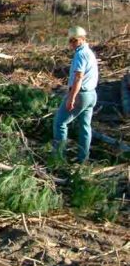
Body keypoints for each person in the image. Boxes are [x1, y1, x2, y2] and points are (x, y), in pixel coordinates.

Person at [53, 26, 98, 164]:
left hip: (81, 95)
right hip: (91, 95)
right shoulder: (89, 52)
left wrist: (71, 98)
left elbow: (79, 77)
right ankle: (83, 160)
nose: (72, 43)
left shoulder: (80, 54)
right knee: (85, 127)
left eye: (75, 40)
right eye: (70, 40)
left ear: (82, 39)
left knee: (60, 123)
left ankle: (59, 159)